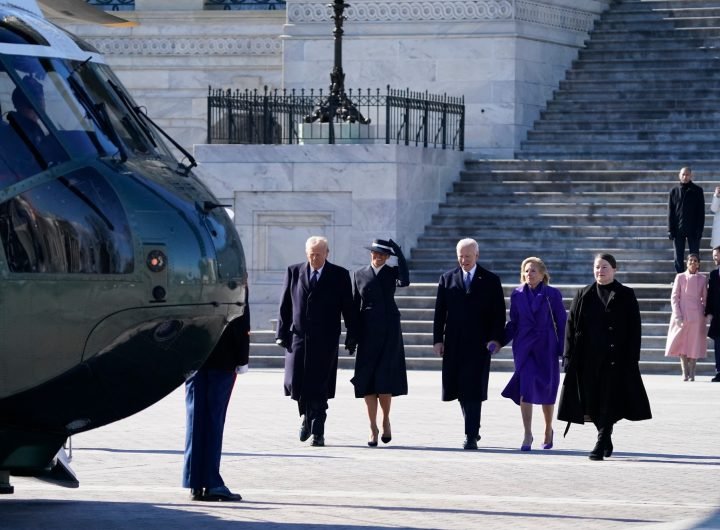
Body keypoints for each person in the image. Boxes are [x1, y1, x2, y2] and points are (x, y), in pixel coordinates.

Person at [558, 253, 652, 461]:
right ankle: (606, 437)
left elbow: (635, 328)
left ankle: (601, 442)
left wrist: (632, 358)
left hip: (615, 359)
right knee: (591, 402)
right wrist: (568, 355)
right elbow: (570, 326)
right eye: (597, 267)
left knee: (609, 400)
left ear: (614, 269)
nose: (600, 271)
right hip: (587, 359)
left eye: (605, 267)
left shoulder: (626, 294)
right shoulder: (583, 294)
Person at [276, 236, 357, 447]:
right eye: (311, 254)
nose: (315, 258)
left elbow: (348, 307)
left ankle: (318, 432)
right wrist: (280, 333)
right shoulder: (294, 272)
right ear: (306, 254)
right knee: (297, 383)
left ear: (327, 254)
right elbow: (285, 304)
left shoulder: (339, 275)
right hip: (298, 338)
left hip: (325, 340)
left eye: (319, 255)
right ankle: (305, 415)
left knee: (319, 386)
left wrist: (352, 334)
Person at [432, 238, 505, 450]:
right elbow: (439, 313)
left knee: (473, 388)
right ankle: (472, 426)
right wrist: (438, 340)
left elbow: (498, 314)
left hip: (480, 344)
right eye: (461, 256)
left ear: (477, 256)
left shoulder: (491, 280)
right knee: (460, 388)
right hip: (454, 343)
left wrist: (495, 338)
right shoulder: (447, 279)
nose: (464, 260)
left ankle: (471, 434)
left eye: (468, 256)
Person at [183, 288, 250, 502]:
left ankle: (194, 482)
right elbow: (240, 322)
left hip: (194, 358)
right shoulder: (233, 282)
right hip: (223, 360)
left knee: (195, 421)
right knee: (214, 421)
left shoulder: (191, 277)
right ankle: (211, 482)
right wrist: (242, 359)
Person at [501, 257, 567, 451]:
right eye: (526, 271)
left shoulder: (552, 294)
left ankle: (548, 429)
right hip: (524, 347)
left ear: (542, 274)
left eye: (533, 271)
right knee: (526, 389)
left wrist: (564, 351)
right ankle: (527, 433)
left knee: (547, 390)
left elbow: (562, 323)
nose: (529, 274)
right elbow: (513, 323)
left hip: (546, 347)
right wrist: (499, 341)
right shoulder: (517, 294)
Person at [351, 239, 409, 447]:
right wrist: (352, 335)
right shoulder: (359, 274)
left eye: (383, 255)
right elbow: (354, 305)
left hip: (389, 330)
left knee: (384, 378)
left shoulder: (392, 272)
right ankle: (372, 427)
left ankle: (385, 421)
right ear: (371, 254)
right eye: (376, 253)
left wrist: (400, 255)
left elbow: (405, 281)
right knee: (367, 380)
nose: (379, 257)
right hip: (367, 332)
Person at [665, 254, 707, 381]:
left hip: (697, 315)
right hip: (682, 312)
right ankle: (684, 371)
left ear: (698, 264)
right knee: (682, 343)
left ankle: (693, 371)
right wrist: (677, 314)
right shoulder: (680, 277)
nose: (692, 263)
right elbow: (674, 297)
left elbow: (705, 298)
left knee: (694, 343)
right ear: (686, 263)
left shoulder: (703, 279)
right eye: (690, 260)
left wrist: (704, 313)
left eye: (695, 261)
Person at [668, 166, 705, 273]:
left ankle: (695, 276)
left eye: (687, 174)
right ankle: (680, 277)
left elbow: (701, 213)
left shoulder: (697, 190)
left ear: (691, 176)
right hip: (678, 229)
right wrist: (670, 229)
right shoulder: (674, 191)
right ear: (679, 176)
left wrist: (699, 230)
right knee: (678, 255)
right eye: (683, 174)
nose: (685, 177)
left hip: (693, 230)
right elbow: (670, 212)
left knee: (695, 254)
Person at [705, 246, 720, 382]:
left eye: (716, 255)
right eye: (713, 255)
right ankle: (719, 371)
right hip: (718, 316)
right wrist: (708, 311)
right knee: (718, 345)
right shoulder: (714, 274)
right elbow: (710, 295)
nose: (714, 258)